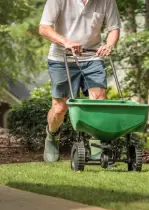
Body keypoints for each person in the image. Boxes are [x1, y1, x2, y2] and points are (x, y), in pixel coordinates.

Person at [38, 0, 121, 162]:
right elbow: (44, 28)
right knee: (60, 108)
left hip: (92, 57)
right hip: (61, 58)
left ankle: (97, 148)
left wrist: (109, 45)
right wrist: (66, 42)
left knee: (98, 102)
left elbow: (114, 28)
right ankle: (52, 135)